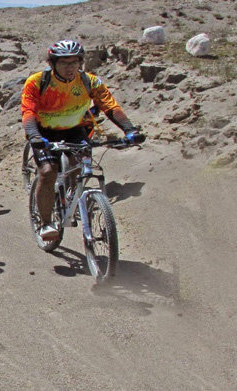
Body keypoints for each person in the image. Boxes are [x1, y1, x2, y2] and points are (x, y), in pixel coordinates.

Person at [21, 40, 144, 241]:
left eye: (74, 63)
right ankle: (45, 223)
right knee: (48, 172)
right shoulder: (37, 81)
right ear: (53, 64)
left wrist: (130, 130)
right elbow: (28, 112)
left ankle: (72, 195)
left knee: (80, 168)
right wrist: (34, 136)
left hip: (75, 130)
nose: (70, 68)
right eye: (64, 63)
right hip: (44, 132)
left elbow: (110, 106)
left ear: (81, 62)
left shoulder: (89, 81)